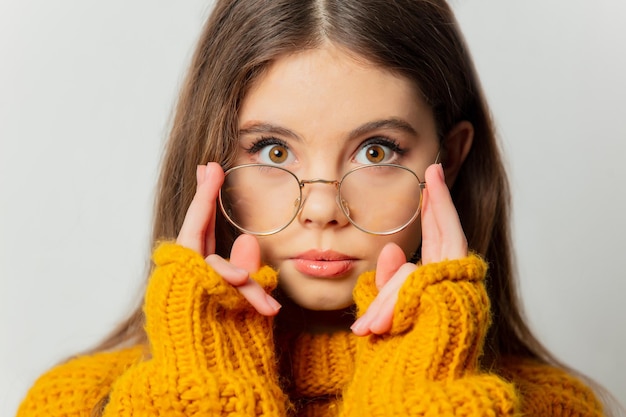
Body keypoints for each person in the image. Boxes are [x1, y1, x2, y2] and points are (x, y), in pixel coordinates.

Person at [16, 0, 615, 416]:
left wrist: (425, 391)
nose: (323, 207)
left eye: (376, 150)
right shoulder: (77, 404)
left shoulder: (555, 409)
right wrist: (202, 387)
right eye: (274, 151)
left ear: (449, 160)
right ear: (212, 165)